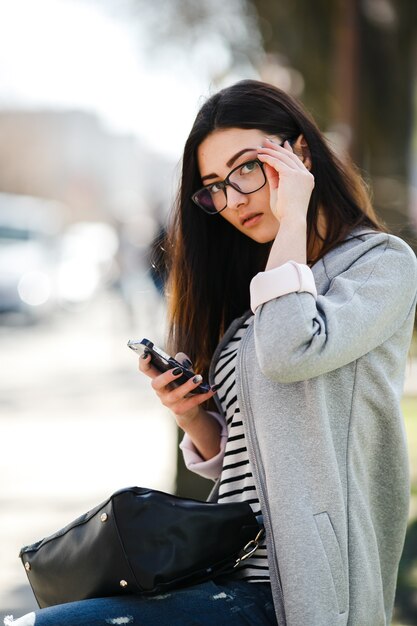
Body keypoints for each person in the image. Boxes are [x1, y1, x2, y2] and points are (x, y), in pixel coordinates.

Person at [9, 79, 417, 626]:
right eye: (215, 187)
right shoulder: (263, 289)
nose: (234, 198)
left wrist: (293, 215)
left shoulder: (379, 266)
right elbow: (257, 459)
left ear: (297, 153)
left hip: (307, 589)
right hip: (225, 573)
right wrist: (192, 416)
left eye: (247, 167)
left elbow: (290, 353)